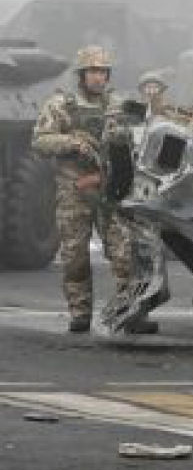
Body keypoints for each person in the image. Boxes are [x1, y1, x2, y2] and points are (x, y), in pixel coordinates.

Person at [32, 46, 157, 334]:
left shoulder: (118, 104)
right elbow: (40, 141)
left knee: (125, 253)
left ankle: (133, 311)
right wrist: (72, 142)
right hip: (74, 189)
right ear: (82, 74)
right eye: (93, 71)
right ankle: (80, 312)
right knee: (75, 256)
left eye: (103, 72)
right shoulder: (61, 104)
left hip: (110, 188)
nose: (98, 77)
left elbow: (144, 133)